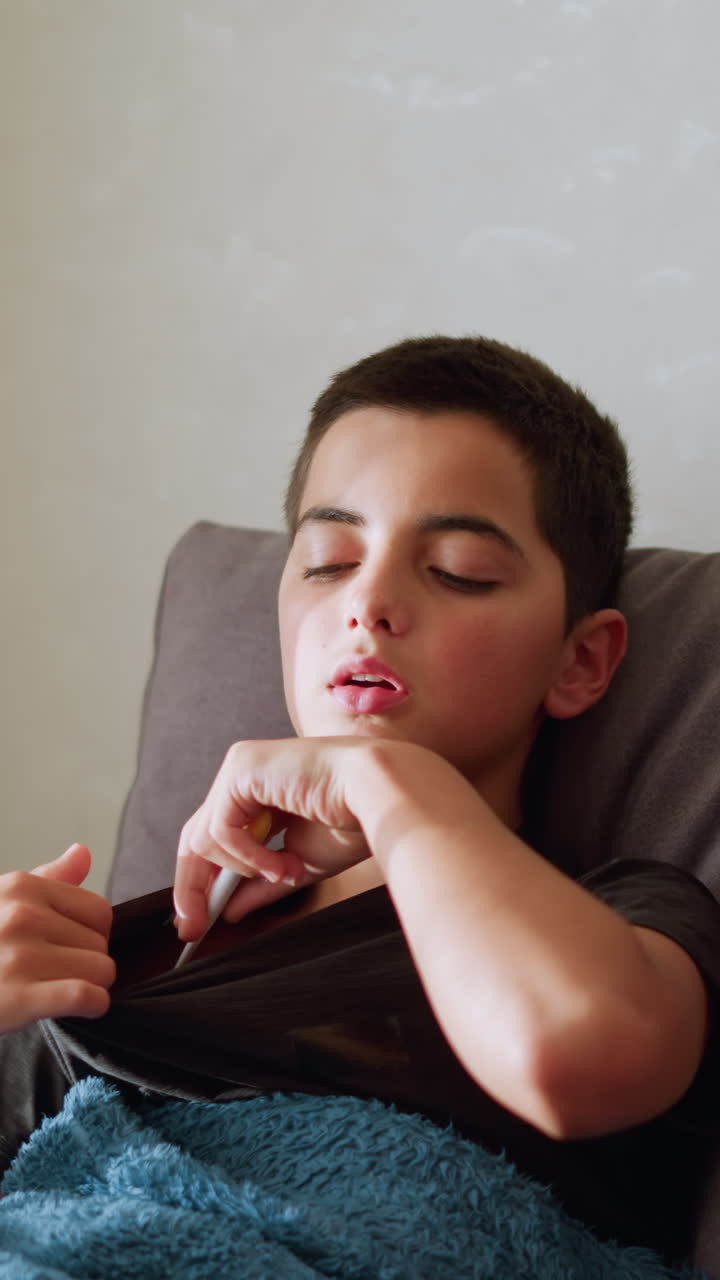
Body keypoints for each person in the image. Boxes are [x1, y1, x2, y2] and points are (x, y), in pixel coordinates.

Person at [1, 336, 719, 1262]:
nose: (368, 603)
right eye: (330, 560)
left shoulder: (626, 917)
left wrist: (386, 778)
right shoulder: (110, 962)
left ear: (580, 660)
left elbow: (572, 1056)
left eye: (458, 569)